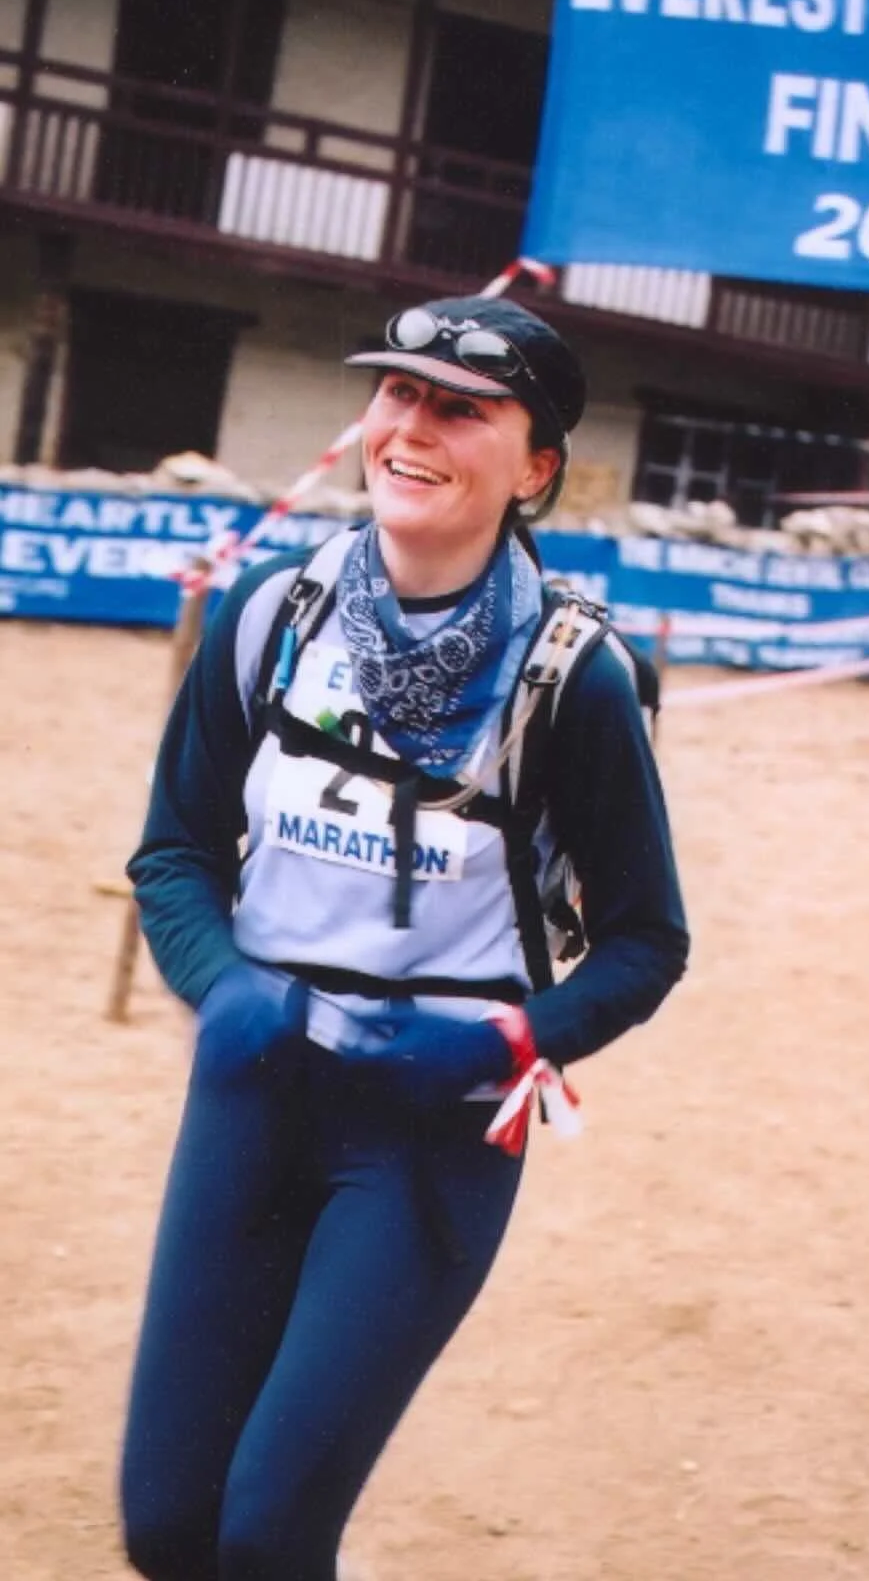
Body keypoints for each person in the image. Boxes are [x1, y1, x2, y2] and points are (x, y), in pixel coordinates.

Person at [120, 293, 689, 1581]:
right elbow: (174, 856)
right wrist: (223, 992)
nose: (412, 428)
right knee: (168, 1531)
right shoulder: (274, 614)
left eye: (461, 408)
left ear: (536, 465)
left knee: (266, 1534)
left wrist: (510, 1037)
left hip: (431, 1131)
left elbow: (649, 944)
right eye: (397, 396)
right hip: (252, 1088)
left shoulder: (575, 678)